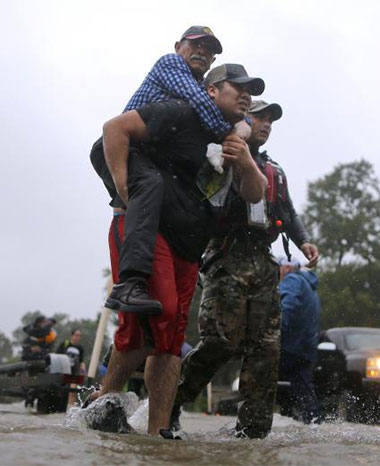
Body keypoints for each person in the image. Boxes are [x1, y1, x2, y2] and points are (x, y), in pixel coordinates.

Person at [90, 64, 267, 436]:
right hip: (149, 231)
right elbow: (114, 130)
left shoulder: (237, 140)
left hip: (190, 245)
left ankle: (157, 432)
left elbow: (254, 193)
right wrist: (124, 189)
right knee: (159, 315)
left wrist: (246, 159)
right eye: (239, 87)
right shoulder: (179, 112)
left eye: (251, 90)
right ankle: (104, 401)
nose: (247, 95)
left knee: (169, 343)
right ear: (212, 91)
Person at [171, 100, 320, 439]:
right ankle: (170, 402)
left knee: (266, 347)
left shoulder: (276, 170)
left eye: (271, 120)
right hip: (225, 255)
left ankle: (252, 430)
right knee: (221, 340)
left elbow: (288, 211)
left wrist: (304, 241)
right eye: (260, 117)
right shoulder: (222, 155)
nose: (266, 124)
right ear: (243, 119)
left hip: (263, 261)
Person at [92, 26, 252, 315]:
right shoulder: (171, 63)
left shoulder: (201, 85)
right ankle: (129, 285)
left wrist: (245, 125)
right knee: (150, 184)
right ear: (179, 45)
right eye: (197, 44)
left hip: (148, 156)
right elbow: (207, 107)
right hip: (120, 146)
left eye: (211, 49)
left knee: (159, 188)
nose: (204, 52)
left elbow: (234, 114)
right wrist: (123, 189)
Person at [276, 256, 322, 424]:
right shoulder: (310, 286)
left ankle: (253, 429)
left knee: (261, 382)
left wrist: (276, 332)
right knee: (302, 390)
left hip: (289, 346)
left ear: (285, 268)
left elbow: (288, 308)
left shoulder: (292, 280)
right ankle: (314, 426)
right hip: (306, 348)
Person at [55, 329, 86, 407]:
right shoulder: (65, 344)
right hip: (63, 371)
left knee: (73, 391)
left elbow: (81, 361)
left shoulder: (80, 348)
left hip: (74, 372)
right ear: (72, 335)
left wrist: (83, 371)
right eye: (76, 335)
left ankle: (70, 407)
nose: (78, 337)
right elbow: (57, 356)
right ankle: (60, 405)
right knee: (61, 390)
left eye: (79, 336)